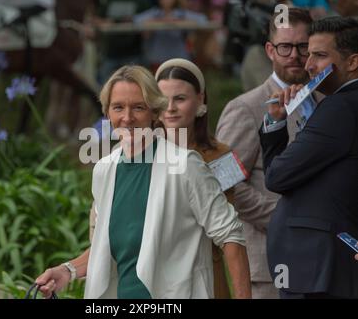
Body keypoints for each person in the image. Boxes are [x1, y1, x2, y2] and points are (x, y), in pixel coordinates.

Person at [36, 64, 251, 299]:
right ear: (107, 112)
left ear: (154, 112)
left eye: (138, 107)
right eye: (118, 107)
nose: (127, 118)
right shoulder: (104, 170)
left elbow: (231, 235)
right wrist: (67, 271)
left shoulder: (186, 165)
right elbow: (106, 248)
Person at [216, 8, 316, 299]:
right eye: (285, 47)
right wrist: (282, 218)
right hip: (268, 264)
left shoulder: (328, 101)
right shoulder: (246, 108)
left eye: (303, 46)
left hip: (322, 261)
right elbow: (223, 182)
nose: (295, 55)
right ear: (270, 50)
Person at [259, 16, 358, 298]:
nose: (308, 65)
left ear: (352, 62)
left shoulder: (338, 108)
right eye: (309, 54)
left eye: (319, 55)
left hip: (319, 268)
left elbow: (278, 177)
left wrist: (275, 126)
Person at [154, 58, 237, 298]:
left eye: (180, 98)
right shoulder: (140, 153)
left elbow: (227, 222)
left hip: (205, 272)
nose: (169, 107)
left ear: (200, 100)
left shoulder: (223, 154)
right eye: (162, 99)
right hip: (153, 272)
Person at [133, 0, 209, 72]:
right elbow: (136, 21)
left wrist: (178, 22)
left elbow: (202, 20)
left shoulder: (181, 13)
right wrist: (162, 22)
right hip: (156, 62)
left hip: (180, 61)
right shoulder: (153, 13)